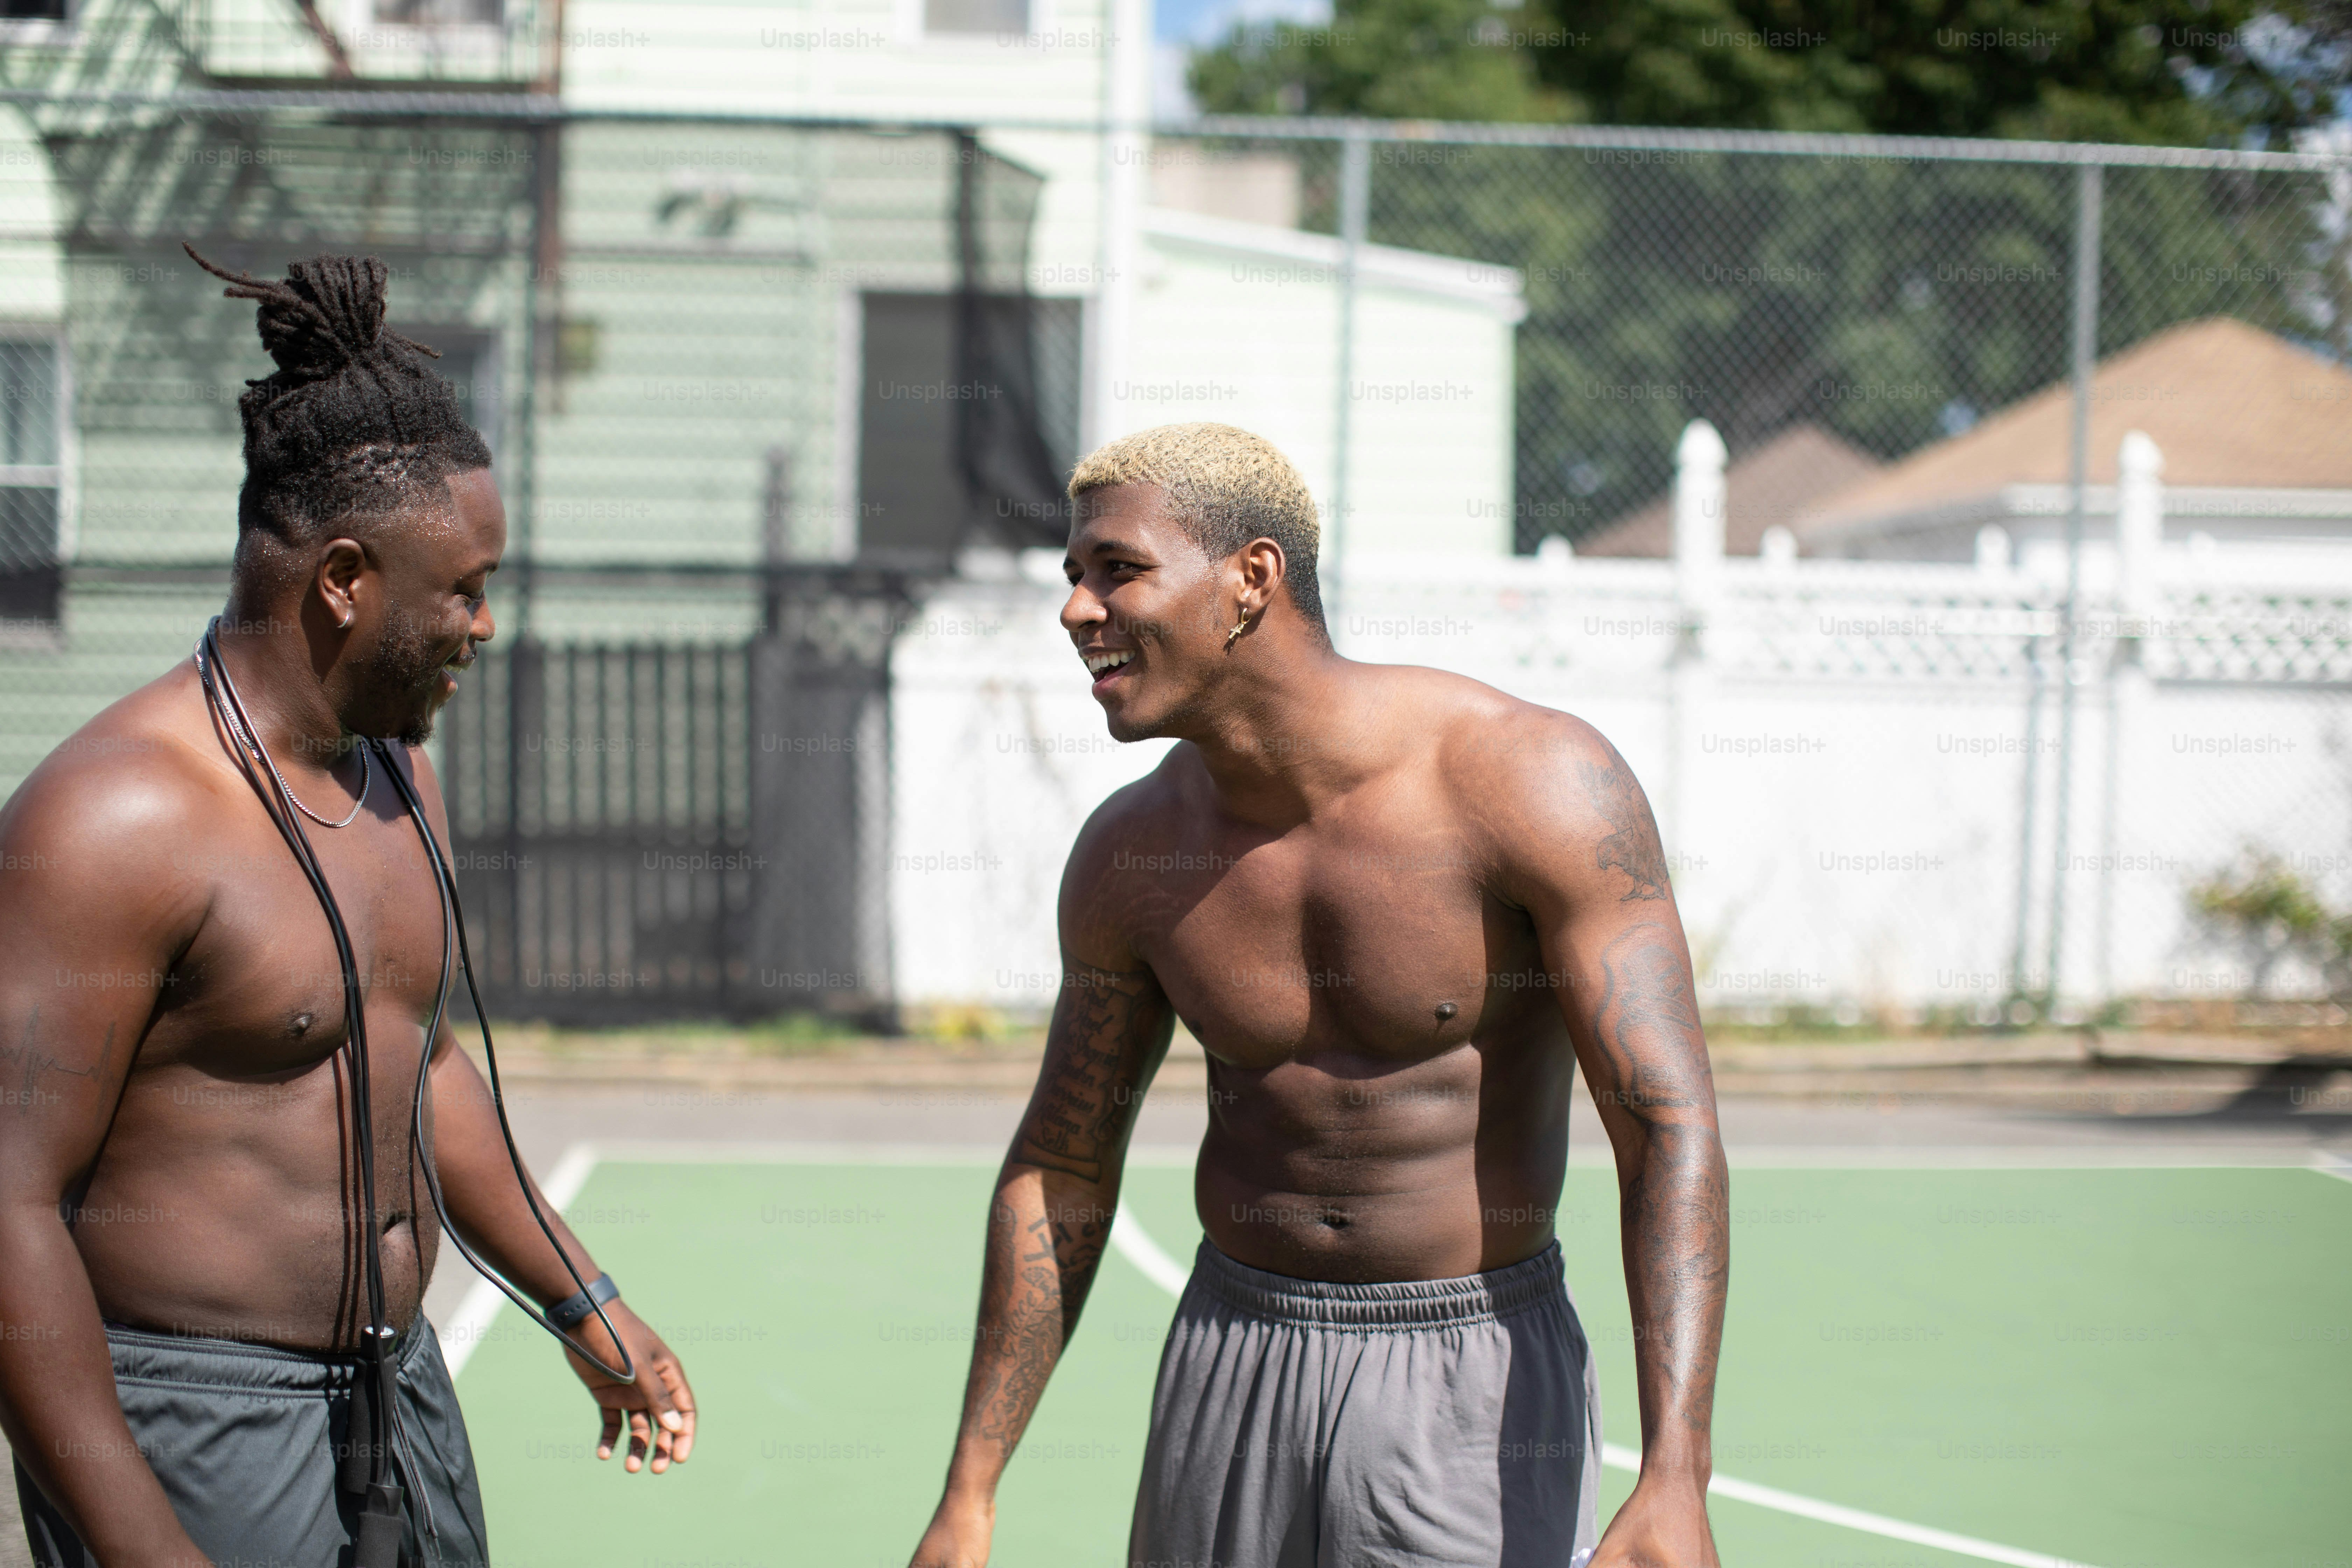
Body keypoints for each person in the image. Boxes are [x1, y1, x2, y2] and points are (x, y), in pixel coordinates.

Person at [910, 422, 1727, 1568]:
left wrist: (1676, 1473)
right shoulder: (1131, 856)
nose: (1077, 609)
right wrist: (971, 1494)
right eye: (1074, 576)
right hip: (1229, 1358)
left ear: (1252, 579)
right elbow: (1064, 1166)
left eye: (1119, 570)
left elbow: (1667, 1128)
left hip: (1468, 1381)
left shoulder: (1531, 782)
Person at [0, 250, 696, 1568]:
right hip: (192, 1423)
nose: (484, 627)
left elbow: (415, 1063)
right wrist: (143, 1548)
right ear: (342, 581)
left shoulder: (395, 774)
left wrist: (584, 1300)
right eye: (465, 589)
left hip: (394, 1396)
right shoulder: (113, 823)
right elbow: (7, 1204)